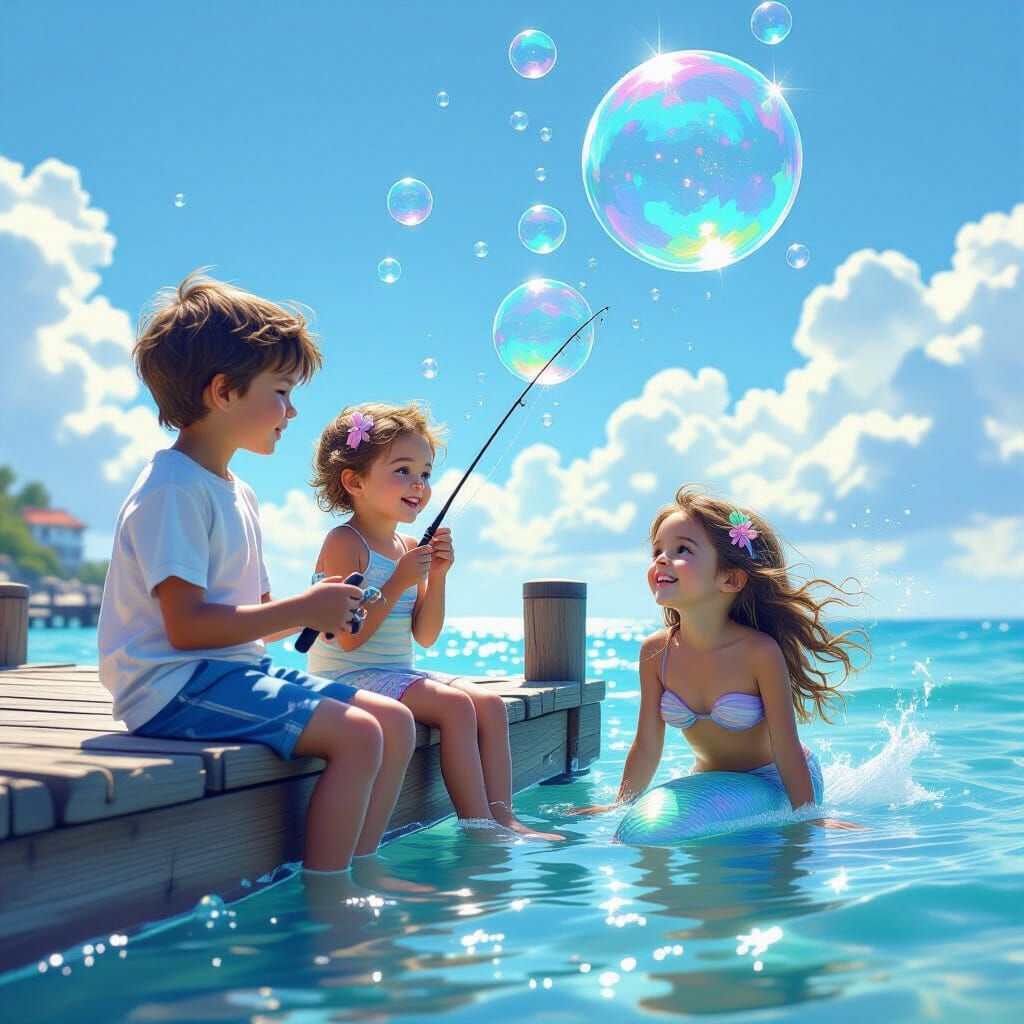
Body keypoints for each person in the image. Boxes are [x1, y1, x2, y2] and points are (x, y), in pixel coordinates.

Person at [97, 270, 417, 874]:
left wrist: (317, 601)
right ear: (223, 392)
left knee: (394, 723)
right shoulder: (173, 488)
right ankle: (331, 897)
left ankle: (364, 866)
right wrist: (300, 610)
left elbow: (256, 622)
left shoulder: (236, 491)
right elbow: (187, 629)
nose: (293, 410)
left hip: (229, 671)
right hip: (175, 688)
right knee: (359, 736)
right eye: (281, 391)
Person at [306, 401, 562, 841]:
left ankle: (504, 816)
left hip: (397, 673)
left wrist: (437, 578)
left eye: (425, 474)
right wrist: (400, 580)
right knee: (456, 705)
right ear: (354, 481)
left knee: (490, 703)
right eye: (402, 470)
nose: (419, 485)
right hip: (347, 676)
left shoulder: (408, 546)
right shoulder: (345, 542)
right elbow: (349, 640)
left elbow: (425, 635)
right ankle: (478, 823)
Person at [571, 485, 870, 829]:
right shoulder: (656, 652)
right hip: (711, 781)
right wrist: (618, 805)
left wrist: (808, 818)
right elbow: (647, 745)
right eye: (657, 551)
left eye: (682, 549)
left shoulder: (758, 652)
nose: (661, 560)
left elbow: (786, 746)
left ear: (730, 578)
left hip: (774, 781)